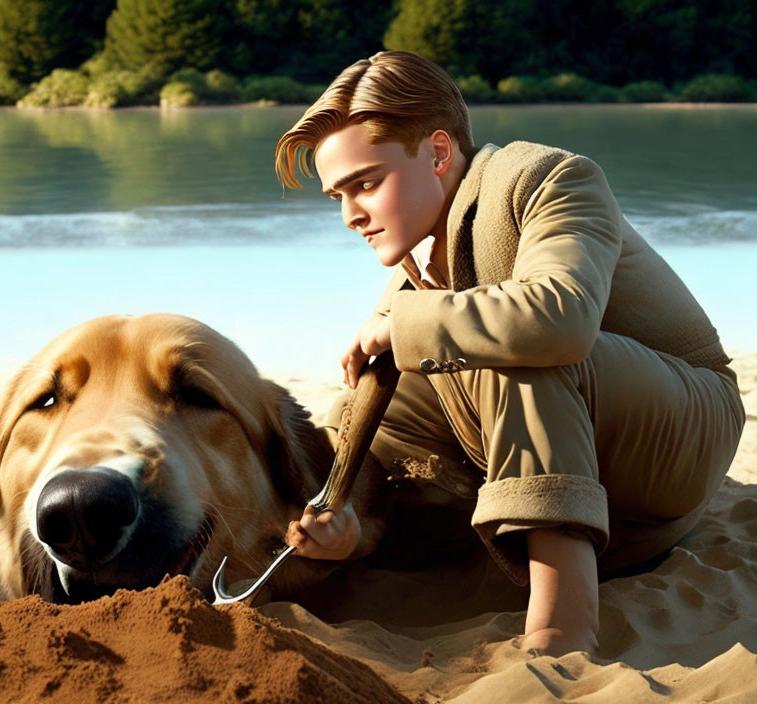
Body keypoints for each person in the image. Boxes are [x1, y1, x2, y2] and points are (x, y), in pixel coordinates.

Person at [274, 51, 745, 656]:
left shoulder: (550, 178)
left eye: (366, 184)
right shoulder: (420, 260)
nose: (350, 216)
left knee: (504, 347)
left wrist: (407, 322)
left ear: (438, 153)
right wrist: (346, 517)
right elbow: (386, 403)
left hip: (683, 435)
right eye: (337, 196)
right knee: (394, 384)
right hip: (589, 453)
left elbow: (563, 316)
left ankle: (561, 631)